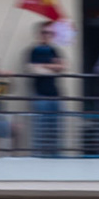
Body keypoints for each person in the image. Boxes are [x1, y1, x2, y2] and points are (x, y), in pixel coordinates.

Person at [24, 21, 66, 156]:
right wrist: (52, 67)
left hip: (55, 95)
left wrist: (44, 67)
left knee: (56, 132)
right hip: (40, 95)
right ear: (39, 34)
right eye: (45, 32)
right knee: (40, 132)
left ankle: (55, 161)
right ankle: (39, 162)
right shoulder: (33, 51)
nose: (48, 35)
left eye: (51, 33)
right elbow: (33, 69)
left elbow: (62, 67)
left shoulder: (54, 50)